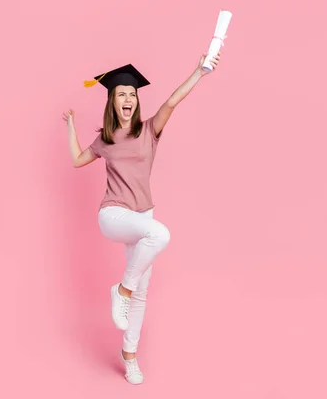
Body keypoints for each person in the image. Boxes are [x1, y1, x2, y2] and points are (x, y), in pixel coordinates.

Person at [62, 51, 221, 384]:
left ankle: (129, 355)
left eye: (132, 94)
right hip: (114, 214)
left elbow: (172, 102)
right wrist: (72, 126)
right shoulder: (105, 140)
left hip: (143, 215)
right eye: (122, 93)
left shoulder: (150, 130)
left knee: (142, 292)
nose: (128, 98)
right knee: (160, 236)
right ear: (112, 101)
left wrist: (199, 72)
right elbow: (77, 159)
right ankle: (121, 289)